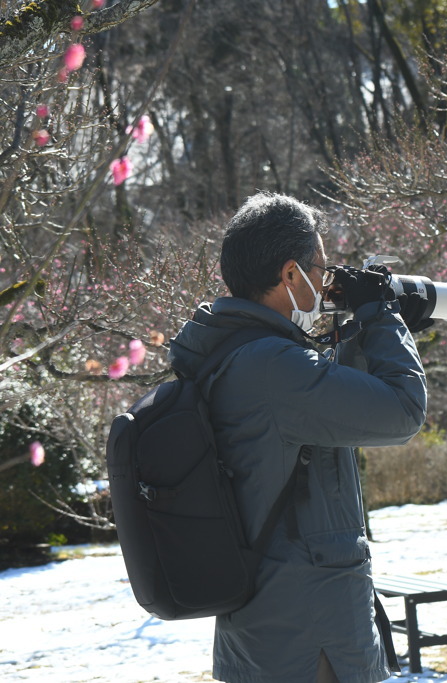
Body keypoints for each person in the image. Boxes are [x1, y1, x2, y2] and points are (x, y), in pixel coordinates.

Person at [167, 192, 428, 683]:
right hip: (312, 632)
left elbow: (331, 413)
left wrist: (374, 326)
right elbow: (404, 411)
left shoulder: (236, 354)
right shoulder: (272, 367)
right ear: (289, 275)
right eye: (319, 268)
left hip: (270, 620)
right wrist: (382, 316)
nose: (325, 282)